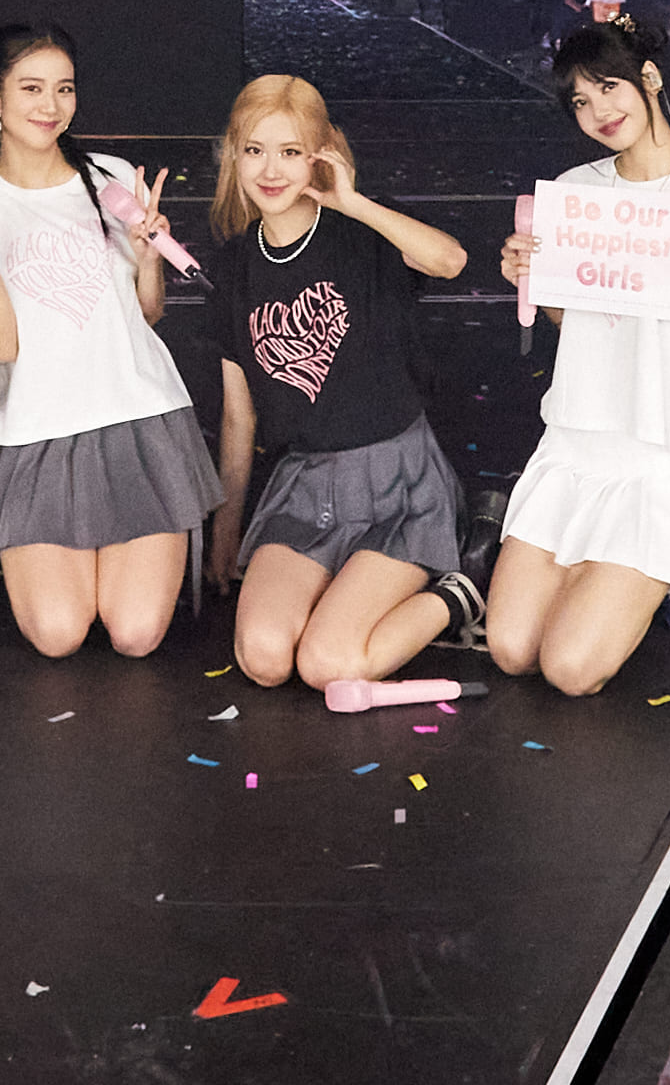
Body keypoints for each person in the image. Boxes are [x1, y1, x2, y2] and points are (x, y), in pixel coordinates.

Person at [485, 15, 670, 699]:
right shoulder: (575, 190)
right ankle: (610, 578)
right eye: (580, 103)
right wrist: (527, 274)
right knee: (509, 650)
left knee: (569, 669)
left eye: (608, 88)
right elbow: (568, 317)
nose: (598, 113)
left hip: (657, 457)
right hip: (573, 445)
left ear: (649, 79)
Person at [0, 23, 223, 659]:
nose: (50, 106)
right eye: (31, 88)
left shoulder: (110, 176)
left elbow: (146, 313)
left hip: (139, 418)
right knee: (58, 634)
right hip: (36, 432)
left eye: (64, 89)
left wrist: (147, 254)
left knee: (137, 633)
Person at [202, 73, 480, 701]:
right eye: (254, 151)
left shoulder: (362, 236)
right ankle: (341, 588)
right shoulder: (235, 266)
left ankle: (456, 595)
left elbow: (450, 260)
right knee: (265, 657)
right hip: (304, 488)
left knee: (328, 664)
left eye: (290, 152)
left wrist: (351, 203)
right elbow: (240, 416)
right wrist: (226, 534)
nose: (271, 170)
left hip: (397, 486)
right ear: (234, 156)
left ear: (319, 155)